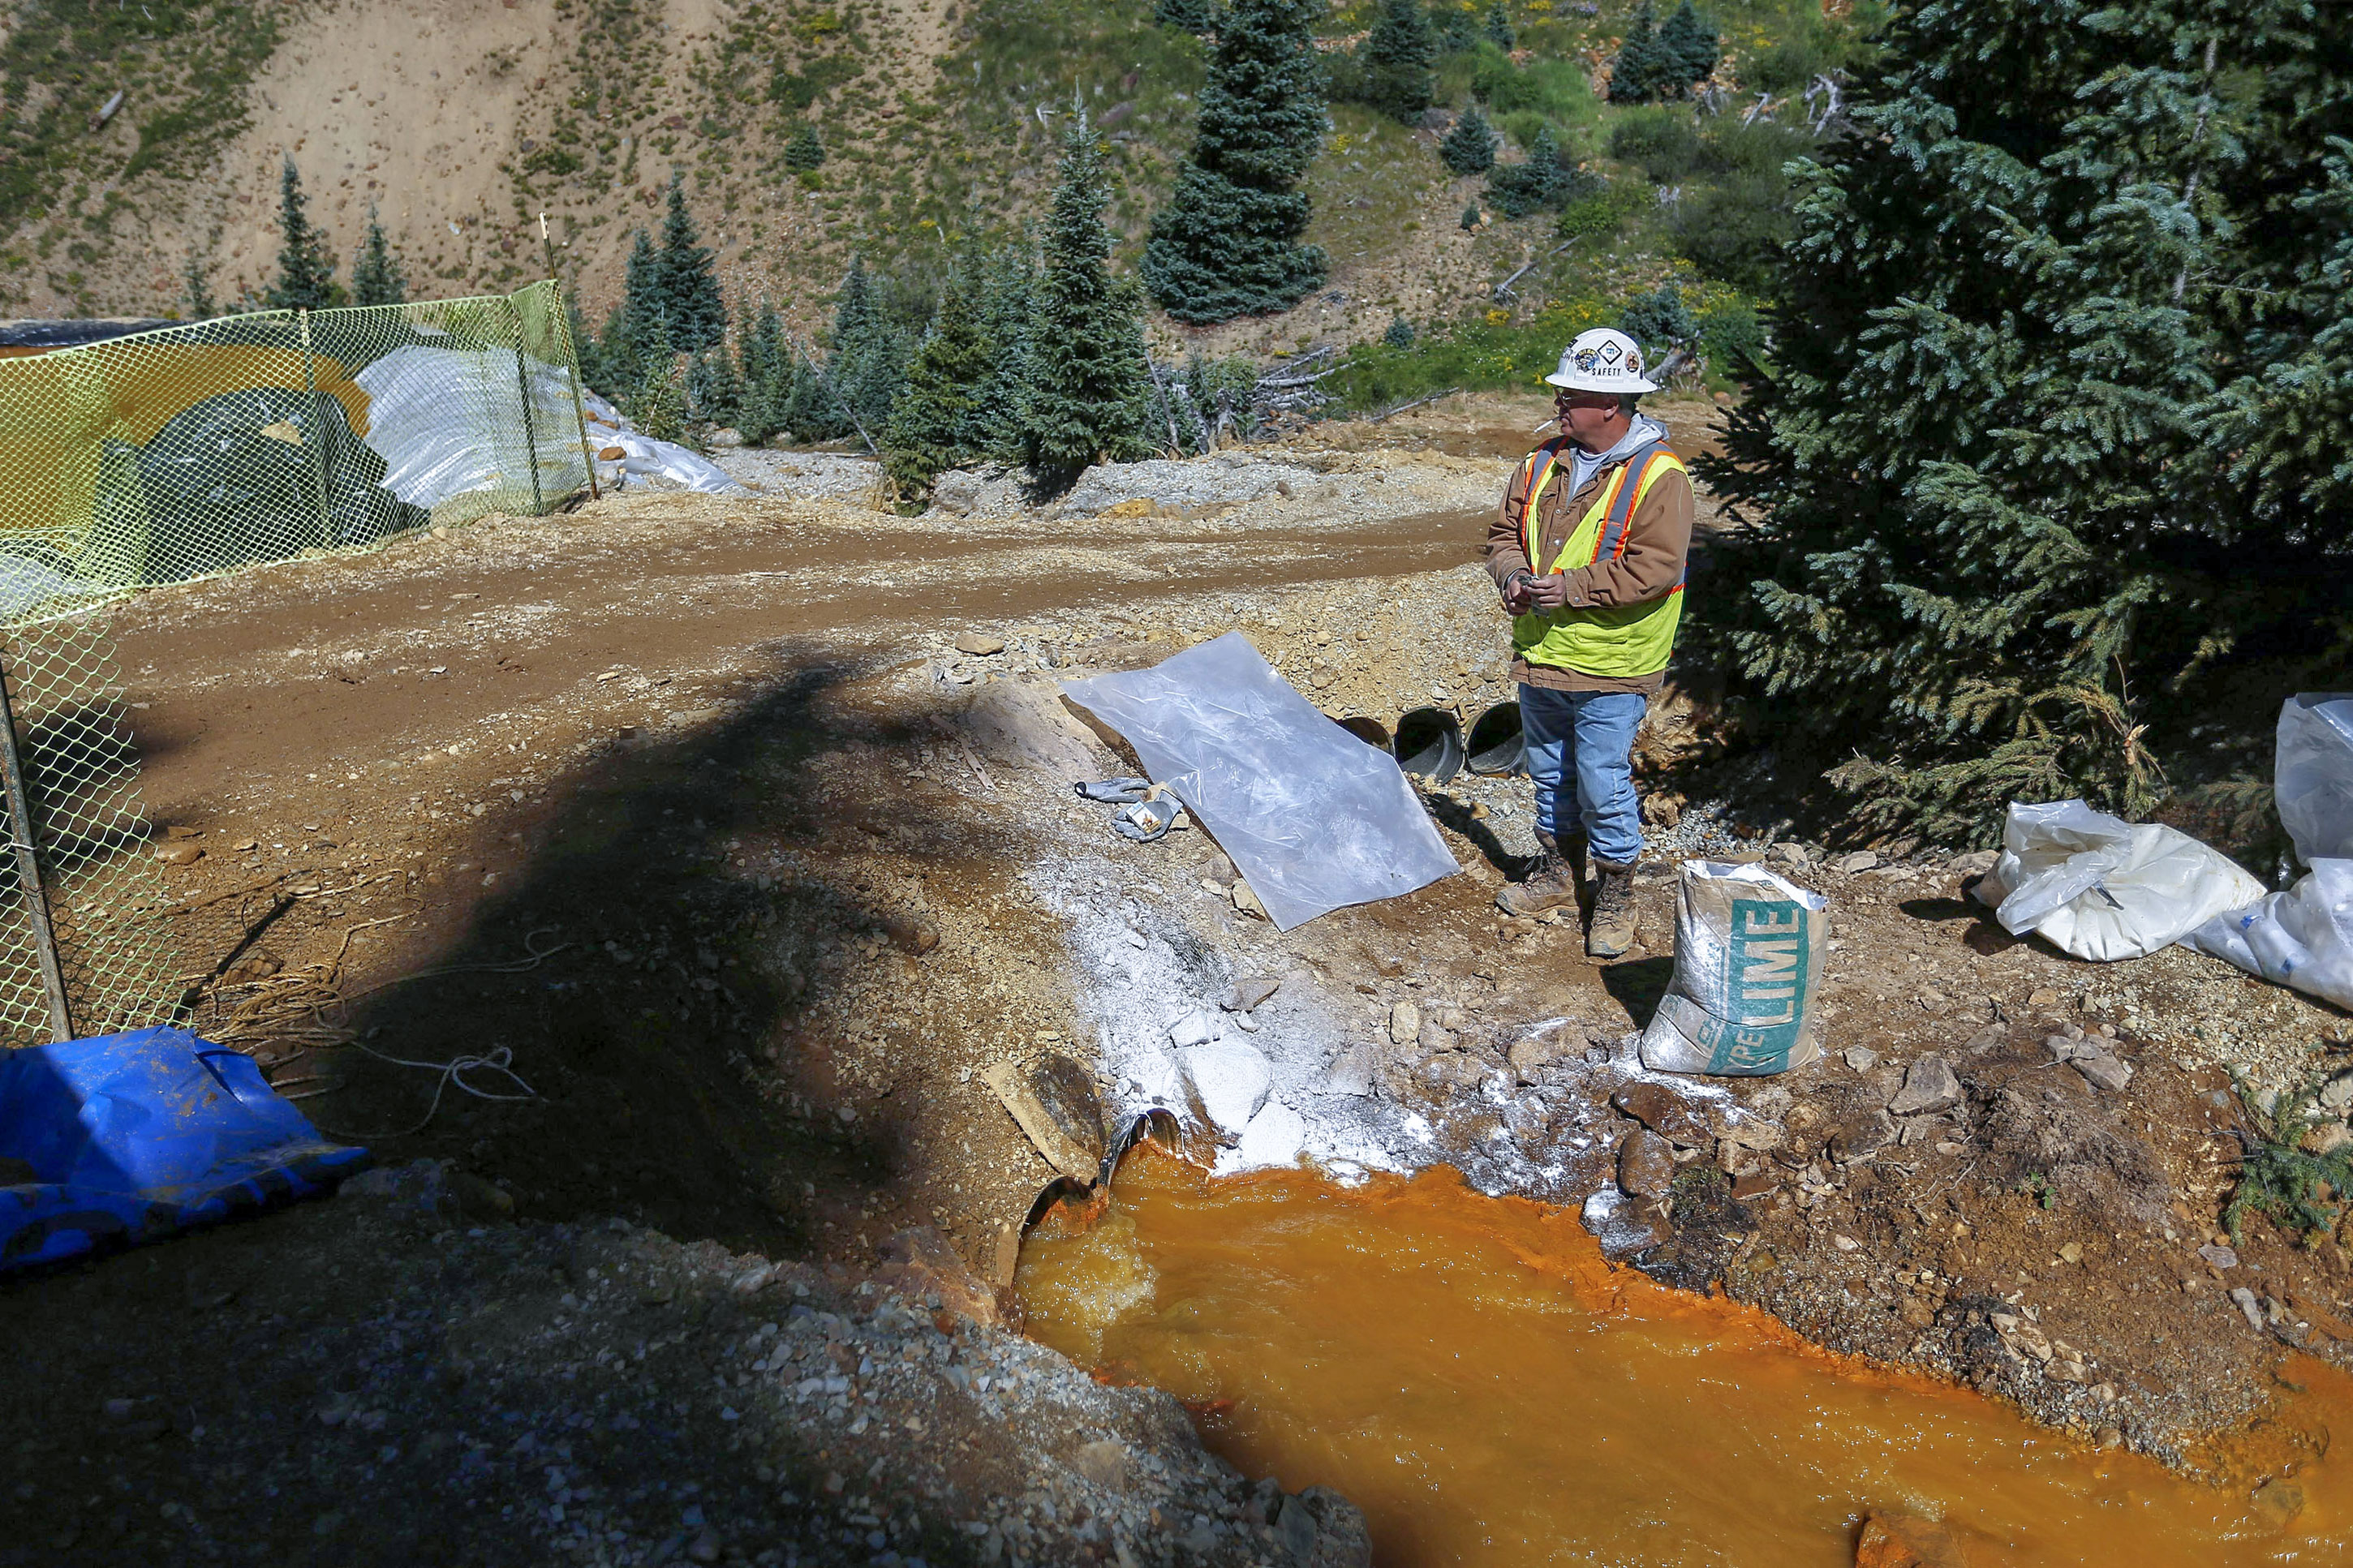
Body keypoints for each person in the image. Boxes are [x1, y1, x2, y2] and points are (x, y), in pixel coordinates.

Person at [1485, 327, 1695, 957]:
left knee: (1602, 782)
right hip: (1544, 655)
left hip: (1614, 664)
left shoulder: (1661, 476)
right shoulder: (1539, 463)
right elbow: (1501, 535)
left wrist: (1570, 588)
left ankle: (1617, 893)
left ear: (1611, 404)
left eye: (1571, 396)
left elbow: (1654, 568)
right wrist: (1513, 577)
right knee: (1549, 774)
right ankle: (1558, 873)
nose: (1559, 406)